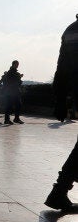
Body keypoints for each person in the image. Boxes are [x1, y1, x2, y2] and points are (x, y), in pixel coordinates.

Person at [45, 14, 78, 211]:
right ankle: (59, 192)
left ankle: (59, 192)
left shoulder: (70, 30)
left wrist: (59, 99)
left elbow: (62, 68)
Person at [0, 60, 24, 124]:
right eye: (17, 64)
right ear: (14, 64)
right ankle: (8, 120)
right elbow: (12, 81)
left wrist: (18, 77)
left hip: (13, 91)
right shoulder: (11, 72)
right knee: (9, 106)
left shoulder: (13, 72)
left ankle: (16, 119)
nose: (18, 65)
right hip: (11, 92)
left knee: (18, 105)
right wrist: (19, 77)